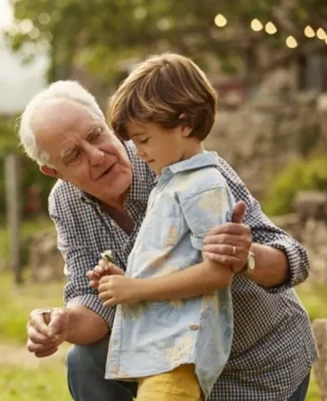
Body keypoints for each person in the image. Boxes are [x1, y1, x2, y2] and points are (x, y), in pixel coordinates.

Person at [17, 61, 316, 400]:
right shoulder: (66, 202)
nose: (98, 156)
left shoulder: (184, 164)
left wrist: (245, 255)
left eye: (96, 135)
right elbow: (95, 300)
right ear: (53, 171)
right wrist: (63, 323)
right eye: (74, 155)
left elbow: (292, 259)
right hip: (168, 363)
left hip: (256, 364)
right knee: (85, 360)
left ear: (104, 121)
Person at [97, 53, 237, 401]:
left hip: (178, 356)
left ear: (184, 124)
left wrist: (136, 290)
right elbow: (175, 261)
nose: (138, 152)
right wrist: (125, 279)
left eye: (144, 140)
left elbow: (218, 273)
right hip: (159, 354)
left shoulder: (204, 185)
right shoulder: (170, 183)